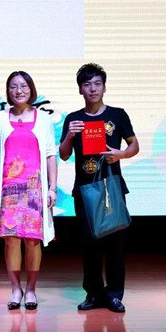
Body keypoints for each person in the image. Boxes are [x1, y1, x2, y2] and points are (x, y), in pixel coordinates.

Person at [59, 63, 139, 313]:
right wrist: (69, 136)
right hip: (85, 190)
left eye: (97, 84)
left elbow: (134, 145)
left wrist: (121, 154)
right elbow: (63, 155)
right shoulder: (73, 119)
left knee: (115, 244)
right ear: (80, 90)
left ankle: (114, 295)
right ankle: (93, 294)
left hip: (112, 187)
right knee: (89, 244)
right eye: (87, 84)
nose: (92, 89)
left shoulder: (118, 115)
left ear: (104, 87)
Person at [0, 71, 57, 310]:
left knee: (33, 240)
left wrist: (52, 188)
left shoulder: (43, 118)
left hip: (35, 188)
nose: (19, 91)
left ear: (31, 89)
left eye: (24, 86)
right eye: (14, 87)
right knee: (11, 241)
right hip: (8, 189)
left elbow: (51, 154)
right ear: (8, 91)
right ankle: (16, 289)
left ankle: (32, 290)